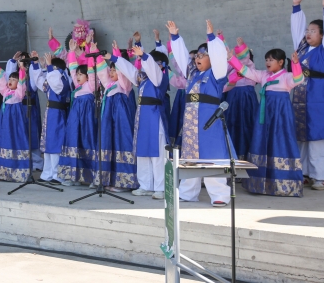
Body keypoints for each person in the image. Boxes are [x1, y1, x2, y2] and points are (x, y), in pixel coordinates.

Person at [168, 19, 232, 207]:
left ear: (211, 58)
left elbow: (219, 56)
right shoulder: (192, 73)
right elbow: (182, 57)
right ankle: (188, 193)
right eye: (197, 55)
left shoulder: (217, 73)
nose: (198, 58)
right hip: (190, 120)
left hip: (209, 119)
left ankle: (219, 194)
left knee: (212, 154)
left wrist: (211, 38)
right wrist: (175, 37)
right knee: (190, 155)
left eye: (203, 55)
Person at [228, 48, 304, 196]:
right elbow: (245, 71)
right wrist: (232, 59)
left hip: (281, 115)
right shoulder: (263, 75)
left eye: (271, 60)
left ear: (281, 62)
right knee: (262, 141)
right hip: (264, 114)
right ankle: (260, 185)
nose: (268, 62)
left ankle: (284, 184)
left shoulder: (286, 77)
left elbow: (298, 79)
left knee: (280, 142)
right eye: (266, 59)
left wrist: (295, 64)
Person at [111, 43, 169, 199]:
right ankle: (145, 185)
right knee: (143, 152)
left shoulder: (160, 78)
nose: (147, 66)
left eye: (153, 63)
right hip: (142, 117)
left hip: (155, 117)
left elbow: (153, 69)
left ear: (161, 65)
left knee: (157, 154)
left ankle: (160, 187)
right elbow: (130, 71)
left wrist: (144, 56)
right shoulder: (142, 79)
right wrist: (114, 58)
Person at [290, 0, 324, 190]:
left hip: (319, 97)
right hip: (300, 98)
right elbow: (296, 30)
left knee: (317, 138)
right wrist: (296, 6)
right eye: (308, 30)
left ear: (322, 34)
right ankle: (303, 173)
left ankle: (320, 176)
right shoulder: (302, 49)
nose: (308, 33)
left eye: (313, 31)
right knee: (302, 137)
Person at [94, 41, 138, 192]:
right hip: (109, 121)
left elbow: (123, 73)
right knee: (108, 145)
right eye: (111, 70)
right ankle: (108, 179)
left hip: (121, 122)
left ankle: (124, 182)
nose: (112, 72)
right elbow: (102, 73)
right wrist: (96, 54)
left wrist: (116, 55)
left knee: (122, 144)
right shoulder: (109, 85)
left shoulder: (125, 85)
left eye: (114, 70)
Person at [58, 39, 98, 187]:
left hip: (87, 118)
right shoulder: (77, 86)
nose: (78, 76)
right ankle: (73, 176)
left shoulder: (91, 85)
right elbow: (73, 69)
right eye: (78, 75)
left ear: (88, 76)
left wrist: (91, 54)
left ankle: (93, 177)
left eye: (82, 74)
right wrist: (71, 52)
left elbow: (92, 72)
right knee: (73, 141)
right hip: (75, 117)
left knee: (88, 142)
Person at [0, 54, 30, 182]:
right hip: (4, 122)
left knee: (15, 140)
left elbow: (22, 85)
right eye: (9, 79)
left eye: (13, 79)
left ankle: (18, 171)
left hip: (15, 122)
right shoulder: (5, 92)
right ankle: (2, 172)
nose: (10, 81)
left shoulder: (19, 93)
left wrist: (21, 70)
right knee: (3, 140)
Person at [31, 52, 71, 185]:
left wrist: (49, 66)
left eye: (51, 67)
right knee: (48, 143)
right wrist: (35, 64)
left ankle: (57, 174)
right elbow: (39, 81)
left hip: (58, 113)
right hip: (50, 113)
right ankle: (47, 173)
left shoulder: (63, 79)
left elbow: (57, 87)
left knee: (55, 143)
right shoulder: (53, 78)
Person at [5, 51, 43, 171]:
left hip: (30, 109)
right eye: (21, 61)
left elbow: (36, 80)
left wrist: (34, 63)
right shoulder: (14, 77)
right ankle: (20, 160)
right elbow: (8, 78)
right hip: (18, 109)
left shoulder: (31, 77)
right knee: (19, 134)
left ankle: (36, 163)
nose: (23, 64)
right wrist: (13, 62)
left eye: (25, 62)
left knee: (32, 134)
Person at [222, 37, 259, 160]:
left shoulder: (249, 66)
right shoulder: (231, 67)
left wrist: (242, 46)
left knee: (247, 124)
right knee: (233, 123)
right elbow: (226, 57)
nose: (238, 58)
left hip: (247, 98)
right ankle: (233, 155)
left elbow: (243, 59)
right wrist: (222, 40)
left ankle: (247, 155)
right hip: (233, 97)